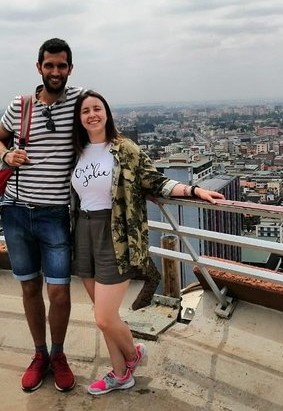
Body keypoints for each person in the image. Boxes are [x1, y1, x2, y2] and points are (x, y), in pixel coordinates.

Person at [70, 90, 225, 395]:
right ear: (79, 118)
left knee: (104, 317)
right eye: (85, 111)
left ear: (106, 112)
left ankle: (131, 357)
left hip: (116, 235)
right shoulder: (78, 151)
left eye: (97, 108)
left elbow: (157, 182)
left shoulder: (125, 150)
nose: (92, 115)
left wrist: (194, 191)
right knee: (105, 318)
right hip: (82, 232)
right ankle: (120, 374)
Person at [0, 38, 82, 393]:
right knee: (29, 287)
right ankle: (39, 354)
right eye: (49, 65)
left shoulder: (78, 102)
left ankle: (58, 354)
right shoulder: (21, 105)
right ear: (39, 67)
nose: (55, 71)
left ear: (70, 69)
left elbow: (104, 128)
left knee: (59, 292)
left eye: (61, 66)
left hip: (54, 213)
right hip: (15, 210)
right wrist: (7, 154)